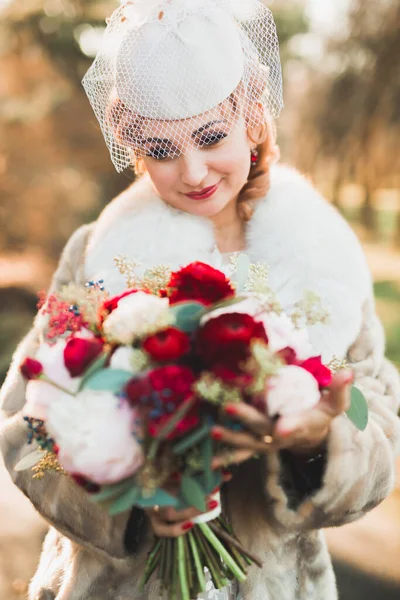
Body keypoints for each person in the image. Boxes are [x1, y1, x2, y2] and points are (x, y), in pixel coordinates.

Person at [1, 1, 399, 599]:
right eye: (161, 150)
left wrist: (317, 444)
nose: (192, 171)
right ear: (131, 143)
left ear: (253, 117)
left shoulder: (322, 258)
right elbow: (25, 428)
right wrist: (131, 498)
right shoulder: (100, 253)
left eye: (212, 137)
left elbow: (380, 430)